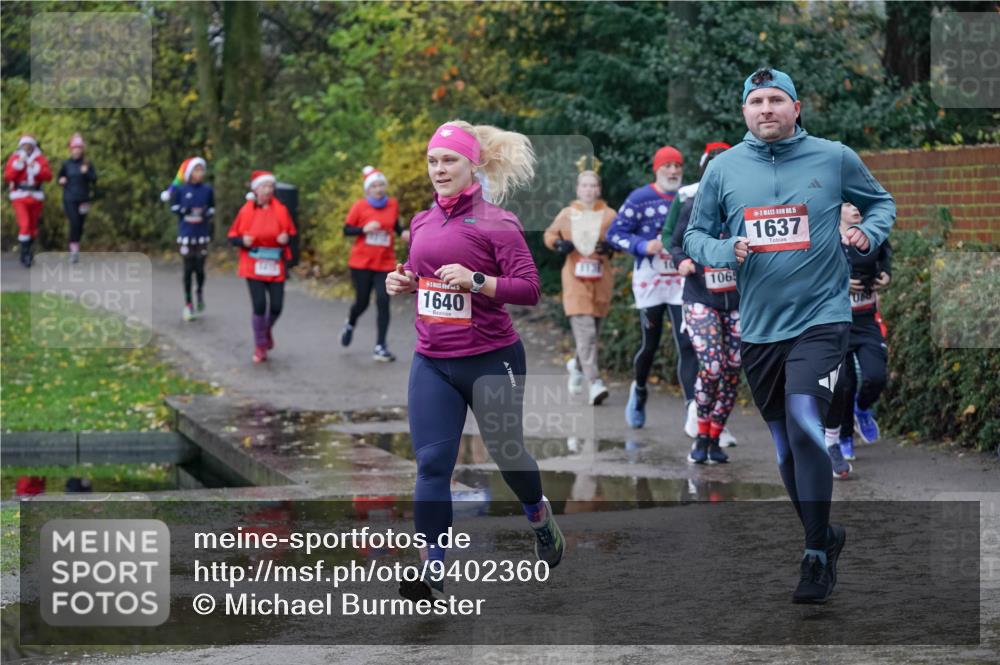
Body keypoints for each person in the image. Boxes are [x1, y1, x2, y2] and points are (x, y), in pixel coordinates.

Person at [684, 68, 895, 604]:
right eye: (756, 101)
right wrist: (720, 250)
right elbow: (695, 234)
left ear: (796, 107)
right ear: (744, 112)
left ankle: (815, 556)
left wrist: (864, 235)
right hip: (758, 328)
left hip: (823, 318)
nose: (766, 109)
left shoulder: (834, 156)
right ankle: (823, 536)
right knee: (782, 444)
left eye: (776, 99)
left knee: (806, 420)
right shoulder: (724, 169)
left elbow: (881, 203)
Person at [386, 120, 564, 601]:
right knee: (431, 464)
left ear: (472, 165)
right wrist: (403, 281)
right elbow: (424, 278)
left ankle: (537, 514)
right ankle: (432, 569)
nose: (439, 169)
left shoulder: (497, 223)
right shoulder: (421, 223)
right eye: (433, 161)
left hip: (491, 359)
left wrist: (478, 280)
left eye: (449, 160)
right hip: (433, 361)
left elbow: (529, 289)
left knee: (508, 456)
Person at [606, 146, 698, 431]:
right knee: (651, 342)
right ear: (656, 169)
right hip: (650, 279)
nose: (673, 171)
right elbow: (614, 234)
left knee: (687, 343)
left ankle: (692, 411)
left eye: (677, 166)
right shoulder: (640, 198)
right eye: (667, 166)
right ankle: (641, 389)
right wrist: (643, 246)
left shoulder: (690, 197)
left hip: (682, 278)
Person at [669, 141, 740, 465]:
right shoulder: (693, 205)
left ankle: (715, 435)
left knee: (733, 369)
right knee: (712, 366)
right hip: (700, 297)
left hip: (739, 301)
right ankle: (699, 434)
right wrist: (682, 261)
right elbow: (676, 243)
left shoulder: (744, 205)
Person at [823, 201, 892, 473]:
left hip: (866, 321)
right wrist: (840, 280)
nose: (857, 208)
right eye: (850, 203)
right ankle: (844, 438)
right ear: (837, 208)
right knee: (844, 384)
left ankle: (863, 409)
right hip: (838, 323)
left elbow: (886, 256)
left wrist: (886, 275)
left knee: (876, 375)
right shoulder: (827, 236)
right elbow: (813, 273)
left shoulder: (872, 233)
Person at [543, 167, 617, 405]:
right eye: (584, 185)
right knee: (587, 335)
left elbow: (620, 237)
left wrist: (612, 247)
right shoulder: (567, 214)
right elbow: (549, 235)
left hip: (601, 280)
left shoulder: (609, 215)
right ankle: (595, 382)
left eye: (593, 185)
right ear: (578, 189)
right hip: (575, 281)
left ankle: (576, 365)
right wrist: (559, 245)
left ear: (599, 189)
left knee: (592, 334)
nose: (589, 189)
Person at [227, 170, 297, 364]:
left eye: (270, 186)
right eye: (264, 186)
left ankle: (264, 331)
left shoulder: (281, 209)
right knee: (259, 305)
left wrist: (286, 238)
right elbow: (232, 237)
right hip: (253, 264)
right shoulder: (246, 211)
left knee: (276, 306)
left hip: (275, 264)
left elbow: (291, 233)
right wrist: (243, 240)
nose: (268, 190)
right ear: (255, 189)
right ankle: (260, 345)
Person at [340, 165, 407, 362]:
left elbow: (396, 227)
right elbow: (346, 230)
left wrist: (408, 235)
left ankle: (380, 346)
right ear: (368, 189)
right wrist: (363, 229)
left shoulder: (392, 205)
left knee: (383, 302)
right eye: (374, 186)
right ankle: (350, 323)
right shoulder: (360, 206)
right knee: (361, 303)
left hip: (385, 263)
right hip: (361, 263)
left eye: (381, 185)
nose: (378, 189)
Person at [161, 157, 215, 321]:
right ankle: (188, 304)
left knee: (199, 268)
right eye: (196, 170)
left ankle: (199, 291)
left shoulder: (207, 190)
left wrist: (206, 212)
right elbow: (174, 207)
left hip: (201, 235)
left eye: (202, 170)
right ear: (190, 173)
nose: (200, 173)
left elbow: (212, 207)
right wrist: (185, 211)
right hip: (186, 235)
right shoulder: (182, 190)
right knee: (188, 269)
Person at [4, 135, 53, 268]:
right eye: (24, 146)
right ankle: (25, 254)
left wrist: (35, 167)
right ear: (21, 146)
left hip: (36, 196)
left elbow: (48, 176)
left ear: (33, 146)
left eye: (28, 146)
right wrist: (19, 164)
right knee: (24, 225)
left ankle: (28, 252)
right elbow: (8, 176)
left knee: (32, 227)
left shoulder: (40, 159)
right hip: (20, 196)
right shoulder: (15, 158)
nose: (26, 148)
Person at [57, 133, 98, 263]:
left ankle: (76, 246)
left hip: (83, 199)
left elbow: (94, 179)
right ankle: (73, 252)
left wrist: (87, 173)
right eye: (75, 148)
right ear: (71, 149)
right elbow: (59, 177)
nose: (77, 150)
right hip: (69, 198)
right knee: (74, 222)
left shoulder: (87, 163)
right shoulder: (66, 164)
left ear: (82, 149)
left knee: (79, 225)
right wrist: (61, 180)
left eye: (79, 148)